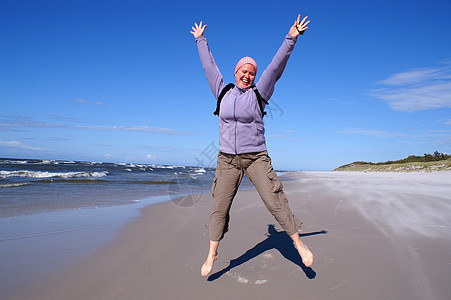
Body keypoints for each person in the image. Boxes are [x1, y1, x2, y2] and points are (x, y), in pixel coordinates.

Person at [190, 14, 313, 277]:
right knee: (219, 207)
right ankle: (212, 253)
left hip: (256, 157)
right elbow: (209, 67)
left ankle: (298, 242)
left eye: (251, 73)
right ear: (235, 73)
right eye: (243, 71)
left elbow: (276, 66)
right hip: (227, 160)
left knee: (274, 199)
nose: (247, 75)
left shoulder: (260, 92)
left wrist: (291, 37)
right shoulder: (222, 91)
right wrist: (200, 40)